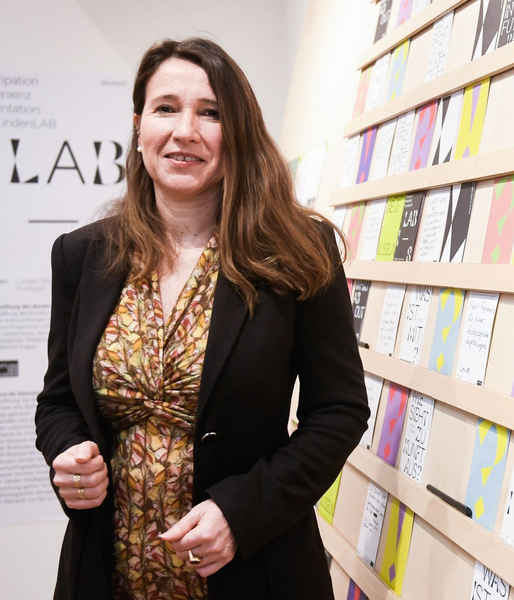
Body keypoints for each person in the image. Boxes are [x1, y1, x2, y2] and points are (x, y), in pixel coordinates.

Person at [35, 37, 369, 600]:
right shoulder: (82, 256)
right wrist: (66, 452)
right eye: (166, 108)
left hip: (255, 571)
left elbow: (338, 412)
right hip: (107, 574)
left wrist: (242, 513)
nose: (184, 130)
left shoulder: (295, 251)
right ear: (140, 126)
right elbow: (58, 401)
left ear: (236, 131)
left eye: (209, 113)